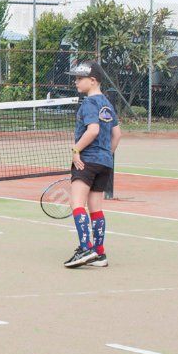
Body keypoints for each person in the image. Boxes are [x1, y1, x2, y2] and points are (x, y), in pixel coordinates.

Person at [64, 61, 115, 268]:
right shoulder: (108, 105)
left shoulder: (88, 103)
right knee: (96, 208)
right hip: (105, 163)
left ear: (92, 81)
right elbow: (117, 134)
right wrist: (105, 156)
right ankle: (99, 253)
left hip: (87, 161)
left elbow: (92, 130)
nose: (75, 82)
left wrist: (77, 150)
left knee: (76, 204)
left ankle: (85, 248)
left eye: (79, 78)